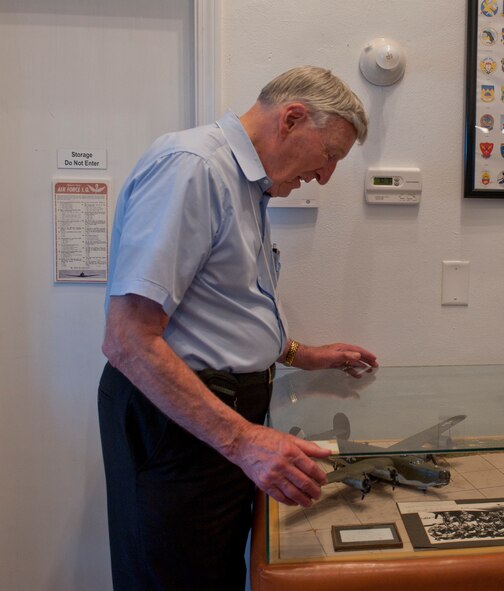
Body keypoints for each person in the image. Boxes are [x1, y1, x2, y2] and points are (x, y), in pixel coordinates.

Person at [98, 66, 379, 590]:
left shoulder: (247, 186)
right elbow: (129, 340)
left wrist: (300, 353)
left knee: (213, 575)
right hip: (181, 428)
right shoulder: (193, 168)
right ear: (292, 119)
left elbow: (217, 313)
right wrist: (245, 441)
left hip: (214, 426)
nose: (324, 177)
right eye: (330, 155)